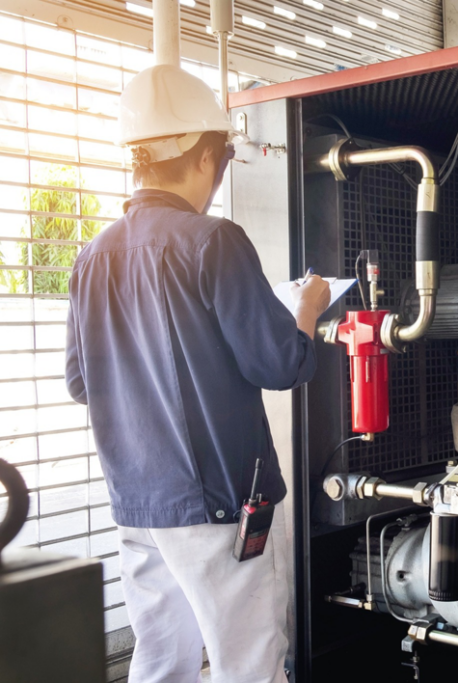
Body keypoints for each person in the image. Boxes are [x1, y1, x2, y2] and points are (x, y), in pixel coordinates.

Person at [65, 64, 328, 683]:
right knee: (250, 664)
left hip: (138, 508)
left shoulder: (91, 257)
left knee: (161, 662)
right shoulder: (214, 241)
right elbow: (280, 362)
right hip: (219, 508)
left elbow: (82, 382)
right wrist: (308, 310)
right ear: (208, 155)